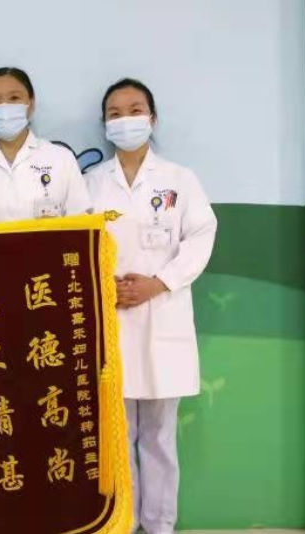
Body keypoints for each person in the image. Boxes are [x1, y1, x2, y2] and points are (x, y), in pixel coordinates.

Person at [86, 78, 217, 534]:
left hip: (163, 315)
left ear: (153, 118)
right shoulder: (91, 183)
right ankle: (122, 522)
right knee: (117, 433)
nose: (126, 119)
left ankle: (160, 524)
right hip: (112, 317)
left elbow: (201, 235)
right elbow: (77, 244)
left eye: (135, 110)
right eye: (115, 113)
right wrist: (104, 286)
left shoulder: (180, 179)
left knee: (160, 435)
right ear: (105, 124)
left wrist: (159, 283)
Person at [0, 67, 91, 223]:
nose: (4, 106)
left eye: (14, 98)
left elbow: (81, 221)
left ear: (31, 104)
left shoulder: (61, 158)